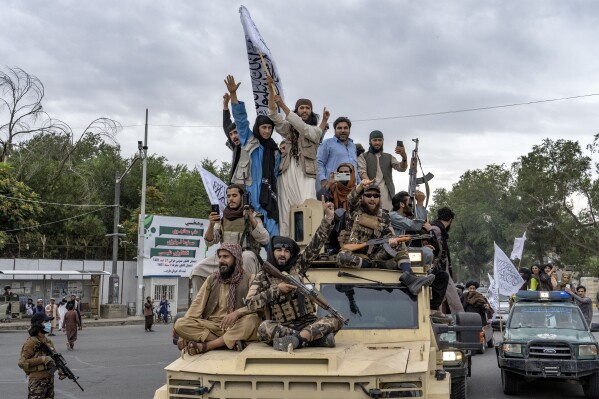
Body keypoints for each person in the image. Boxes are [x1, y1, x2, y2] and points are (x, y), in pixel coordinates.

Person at [245, 197, 340, 350]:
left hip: (309, 323)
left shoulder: (298, 267)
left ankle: (298, 340)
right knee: (264, 329)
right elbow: (249, 304)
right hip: (283, 327)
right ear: (272, 252)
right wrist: (277, 290)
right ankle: (313, 340)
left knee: (336, 319)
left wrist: (328, 218)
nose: (282, 254)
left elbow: (314, 246)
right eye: (278, 250)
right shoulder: (263, 277)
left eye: (287, 251)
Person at [334, 179, 435, 295]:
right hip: (355, 255)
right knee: (341, 257)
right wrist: (360, 186)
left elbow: (389, 235)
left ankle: (410, 277)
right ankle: (373, 265)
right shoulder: (355, 211)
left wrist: (391, 241)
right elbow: (351, 199)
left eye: (376, 196)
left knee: (399, 242)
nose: (372, 198)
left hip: (375, 255)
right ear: (362, 197)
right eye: (368, 195)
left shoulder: (384, 216)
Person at [174, 243, 261, 354]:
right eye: (220, 257)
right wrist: (183, 334)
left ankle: (210, 345)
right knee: (180, 324)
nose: (221, 260)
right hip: (213, 327)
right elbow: (196, 307)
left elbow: (256, 306)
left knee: (253, 320)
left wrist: (237, 313)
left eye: (226, 257)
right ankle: (226, 343)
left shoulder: (250, 279)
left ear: (236, 259)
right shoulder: (212, 279)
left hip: (237, 325)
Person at [268, 84, 329, 236]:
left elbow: (303, 128)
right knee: (285, 210)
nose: (304, 110)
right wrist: (271, 92)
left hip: (306, 172)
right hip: (287, 170)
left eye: (307, 108)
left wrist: (282, 104)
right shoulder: (288, 129)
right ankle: (284, 247)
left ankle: (308, 246)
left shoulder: (316, 131)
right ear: (297, 110)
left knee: (307, 206)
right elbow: (274, 116)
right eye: (301, 108)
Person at [190, 184, 269, 294]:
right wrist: (211, 224)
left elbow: (265, 239)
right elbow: (209, 242)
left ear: (242, 197)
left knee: (247, 257)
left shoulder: (252, 215)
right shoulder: (223, 217)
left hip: (244, 255)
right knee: (198, 270)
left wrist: (250, 218)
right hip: (226, 257)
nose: (231, 199)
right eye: (228, 196)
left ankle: (247, 300)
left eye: (234, 195)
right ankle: (201, 307)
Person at [227, 74, 280, 238]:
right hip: (248, 199)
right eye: (263, 127)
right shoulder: (249, 140)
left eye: (269, 128)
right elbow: (241, 120)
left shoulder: (275, 151)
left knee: (272, 238)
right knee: (244, 242)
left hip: (267, 202)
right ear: (258, 127)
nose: (266, 131)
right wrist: (233, 96)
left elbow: (276, 175)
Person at [389, 190, 449, 315]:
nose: (412, 206)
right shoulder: (393, 216)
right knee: (426, 254)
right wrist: (420, 203)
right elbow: (416, 226)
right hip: (393, 253)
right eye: (410, 203)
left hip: (402, 251)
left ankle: (432, 305)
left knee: (440, 273)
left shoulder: (400, 217)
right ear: (401, 204)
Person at [357, 130, 408, 211]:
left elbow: (401, 168)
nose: (377, 142)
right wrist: (370, 186)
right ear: (370, 141)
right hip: (370, 196)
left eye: (379, 140)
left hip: (387, 197)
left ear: (383, 141)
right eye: (375, 140)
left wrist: (404, 157)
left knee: (386, 220)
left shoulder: (388, 157)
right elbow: (362, 172)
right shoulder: (363, 156)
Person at [18, 312, 65, 398]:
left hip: (49, 379)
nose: (49, 324)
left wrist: (61, 369)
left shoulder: (48, 341)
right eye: (46, 322)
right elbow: (22, 362)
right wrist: (42, 359)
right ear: (39, 324)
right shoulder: (31, 342)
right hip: (37, 381)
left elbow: (54, 358)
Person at [429, 206, 464, 315]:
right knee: (453, 299)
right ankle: (461, 320)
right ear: (450, 220)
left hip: (440, 269)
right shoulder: (437, 230)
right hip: (439, 270)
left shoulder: (437, 229)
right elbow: (437, 252)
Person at [317, 116, 360, 192]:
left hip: (352, 189)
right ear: (335, 130)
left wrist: (359, 183)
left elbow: (355, 168)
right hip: (334, 187)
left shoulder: (352, 146)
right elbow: (319, 163)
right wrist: (323, 180)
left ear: (349, 130)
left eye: (345, 128)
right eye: (339, 128)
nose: (343, 130)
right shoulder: (327, 143)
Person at [222, 92, 242, 184]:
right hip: (234, 186)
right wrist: (225, 104)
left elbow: (241, 118)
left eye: (236, 132)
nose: (233, 137)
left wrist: (233, 94)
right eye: (231, 134)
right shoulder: (235, 147)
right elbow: (226, 124)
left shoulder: (249, 143)